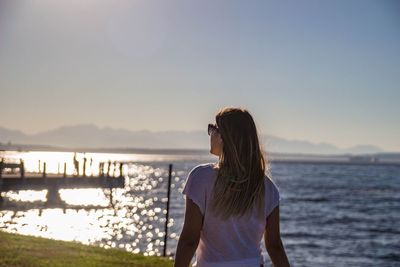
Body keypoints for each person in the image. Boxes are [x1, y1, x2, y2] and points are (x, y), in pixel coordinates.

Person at [174, 107, 290, 267]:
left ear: (224, 136)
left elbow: (189, 239)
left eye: (212, 128)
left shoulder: (201, 178)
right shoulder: (267, 187)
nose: (210, 134)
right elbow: (275, 246)